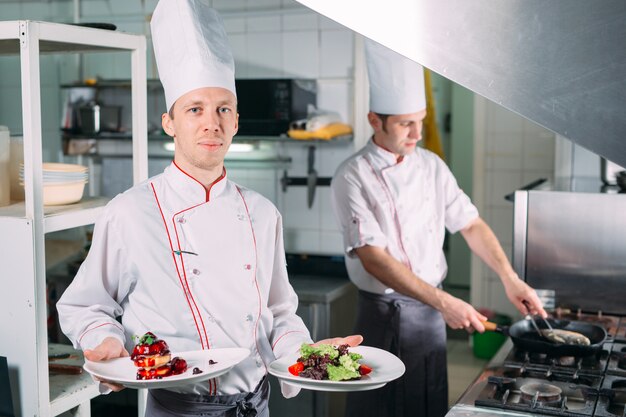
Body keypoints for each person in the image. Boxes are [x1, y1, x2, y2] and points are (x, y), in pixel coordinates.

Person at [57, 1, 360, 416]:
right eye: (195, 109)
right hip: (175, 409)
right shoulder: (129, 212)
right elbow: (84, 305)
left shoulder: (262, 213)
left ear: (236, 120)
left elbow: (279, 313)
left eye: (223, 109)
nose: (210, 123)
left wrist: (307, 355)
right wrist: (104, 341)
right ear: (170, 122)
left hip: (254, 406)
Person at [330, 39, 547, 417]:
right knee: (379, 407)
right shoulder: (352, 175)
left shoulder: (430, 166)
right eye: (405, 124)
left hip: (431, 317)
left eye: (421, 122)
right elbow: (374, 260)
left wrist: (510, 278)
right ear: (374, 121)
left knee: (428, 402)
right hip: (384, 316)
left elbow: (471, 223)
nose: (416, 134)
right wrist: (444, 302)